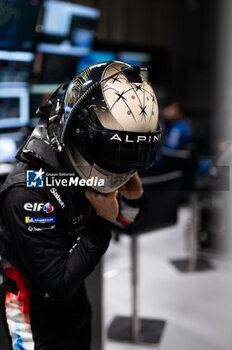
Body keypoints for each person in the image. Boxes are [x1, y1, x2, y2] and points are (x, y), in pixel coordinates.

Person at [0, 61, 161, 349]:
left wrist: (133, 199)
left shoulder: (90, 160)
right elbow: (58, 283)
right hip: (35, 317)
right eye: (116, 154)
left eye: (133, 154)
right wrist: (101, 223)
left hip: (75, 304)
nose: (121, 167)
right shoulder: (29, 188)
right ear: (80, 132)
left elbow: (129, 221)